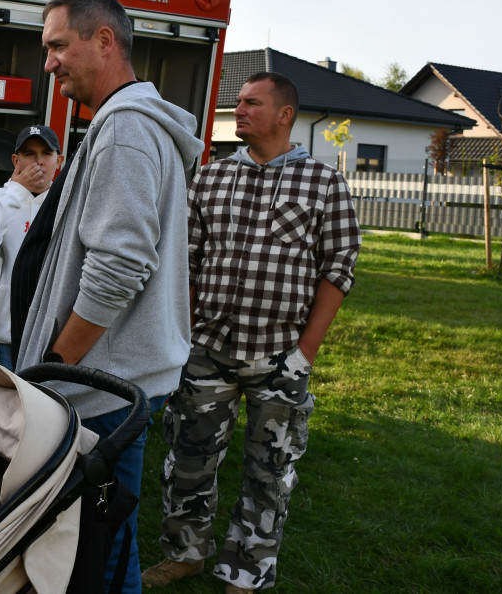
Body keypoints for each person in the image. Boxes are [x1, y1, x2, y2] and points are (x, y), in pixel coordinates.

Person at [13, 0, 204, 593]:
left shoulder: (124, 129)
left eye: (58, 46)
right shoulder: (129, 126)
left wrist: (55, 367)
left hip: (98, 392)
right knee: (105, 547)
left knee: (96, 558)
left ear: (104, 40)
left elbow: (119, 266)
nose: (48, 63)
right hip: (115, 386)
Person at [141, 72, 361, 593]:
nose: (238, 111)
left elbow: (340, 268)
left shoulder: (323, 182)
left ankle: (247, 569)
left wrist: (305, 353)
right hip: (207, 351)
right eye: (237, 103)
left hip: (280, 357)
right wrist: (186, 332)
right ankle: (185, 553)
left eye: (251, 103)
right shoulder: (211, 177)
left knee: (269, 471)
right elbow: (186, 262)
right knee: (188, 459)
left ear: (284, 115)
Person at [0, 124, 63, 369]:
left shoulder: (67, 206)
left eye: (46, 154)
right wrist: (17, 191)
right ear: (15, 160)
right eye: (29, 154)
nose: (38, 163)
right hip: (0, 339)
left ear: (59, 161)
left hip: (46, 340)